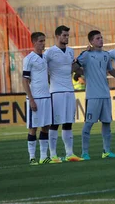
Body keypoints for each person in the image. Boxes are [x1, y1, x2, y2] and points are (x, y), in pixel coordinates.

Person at [75, 30, 115, 160]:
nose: (101, 40)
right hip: (93, 95)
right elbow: (75, 67)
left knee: (106, 123)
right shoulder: (86, 55)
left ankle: (106, 151)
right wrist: (80, 70)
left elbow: (110, 70)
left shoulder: (106, 55)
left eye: (101, 37)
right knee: (89, 124)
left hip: (105, 94)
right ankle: (84, 153)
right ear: (91, 42)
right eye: (97, 38)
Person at [43, 25, 82, 162]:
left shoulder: (70, 51)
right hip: (56, 92)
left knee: (68, 122)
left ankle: (69, 153)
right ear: (57, 36)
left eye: (67, 35)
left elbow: (72, 68)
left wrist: (80, 65)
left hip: (70, 91)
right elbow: (43, 70)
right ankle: (53, 154)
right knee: (54, 123)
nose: (66, 38)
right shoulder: (50, 52)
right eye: (64, 35)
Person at [23, 32, 57, 165]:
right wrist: (31, 99)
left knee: (45, 127)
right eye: (41, 41)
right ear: (34, 42)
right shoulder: (29, 59)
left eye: (44, 40)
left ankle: (43, 156)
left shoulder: (44, 58)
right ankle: (32, 157)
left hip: (46, 97)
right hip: (35, 98)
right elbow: (25, 80)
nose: (43, 43)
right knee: (33, 128)